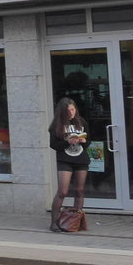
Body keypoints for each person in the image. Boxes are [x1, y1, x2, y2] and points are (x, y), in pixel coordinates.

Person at [48, 97, 89, 232]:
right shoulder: (57, 125)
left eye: (73, 109)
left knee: (80, 190)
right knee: (63, 191)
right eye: (68, 111)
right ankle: (54, 223)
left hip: (81, 159)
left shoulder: (81, 122)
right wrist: (67, 142)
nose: (71, 113)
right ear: (62, 112)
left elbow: (89, 141)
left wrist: (83, 141)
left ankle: (75, 222)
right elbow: (53, 145)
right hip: (65, 160)